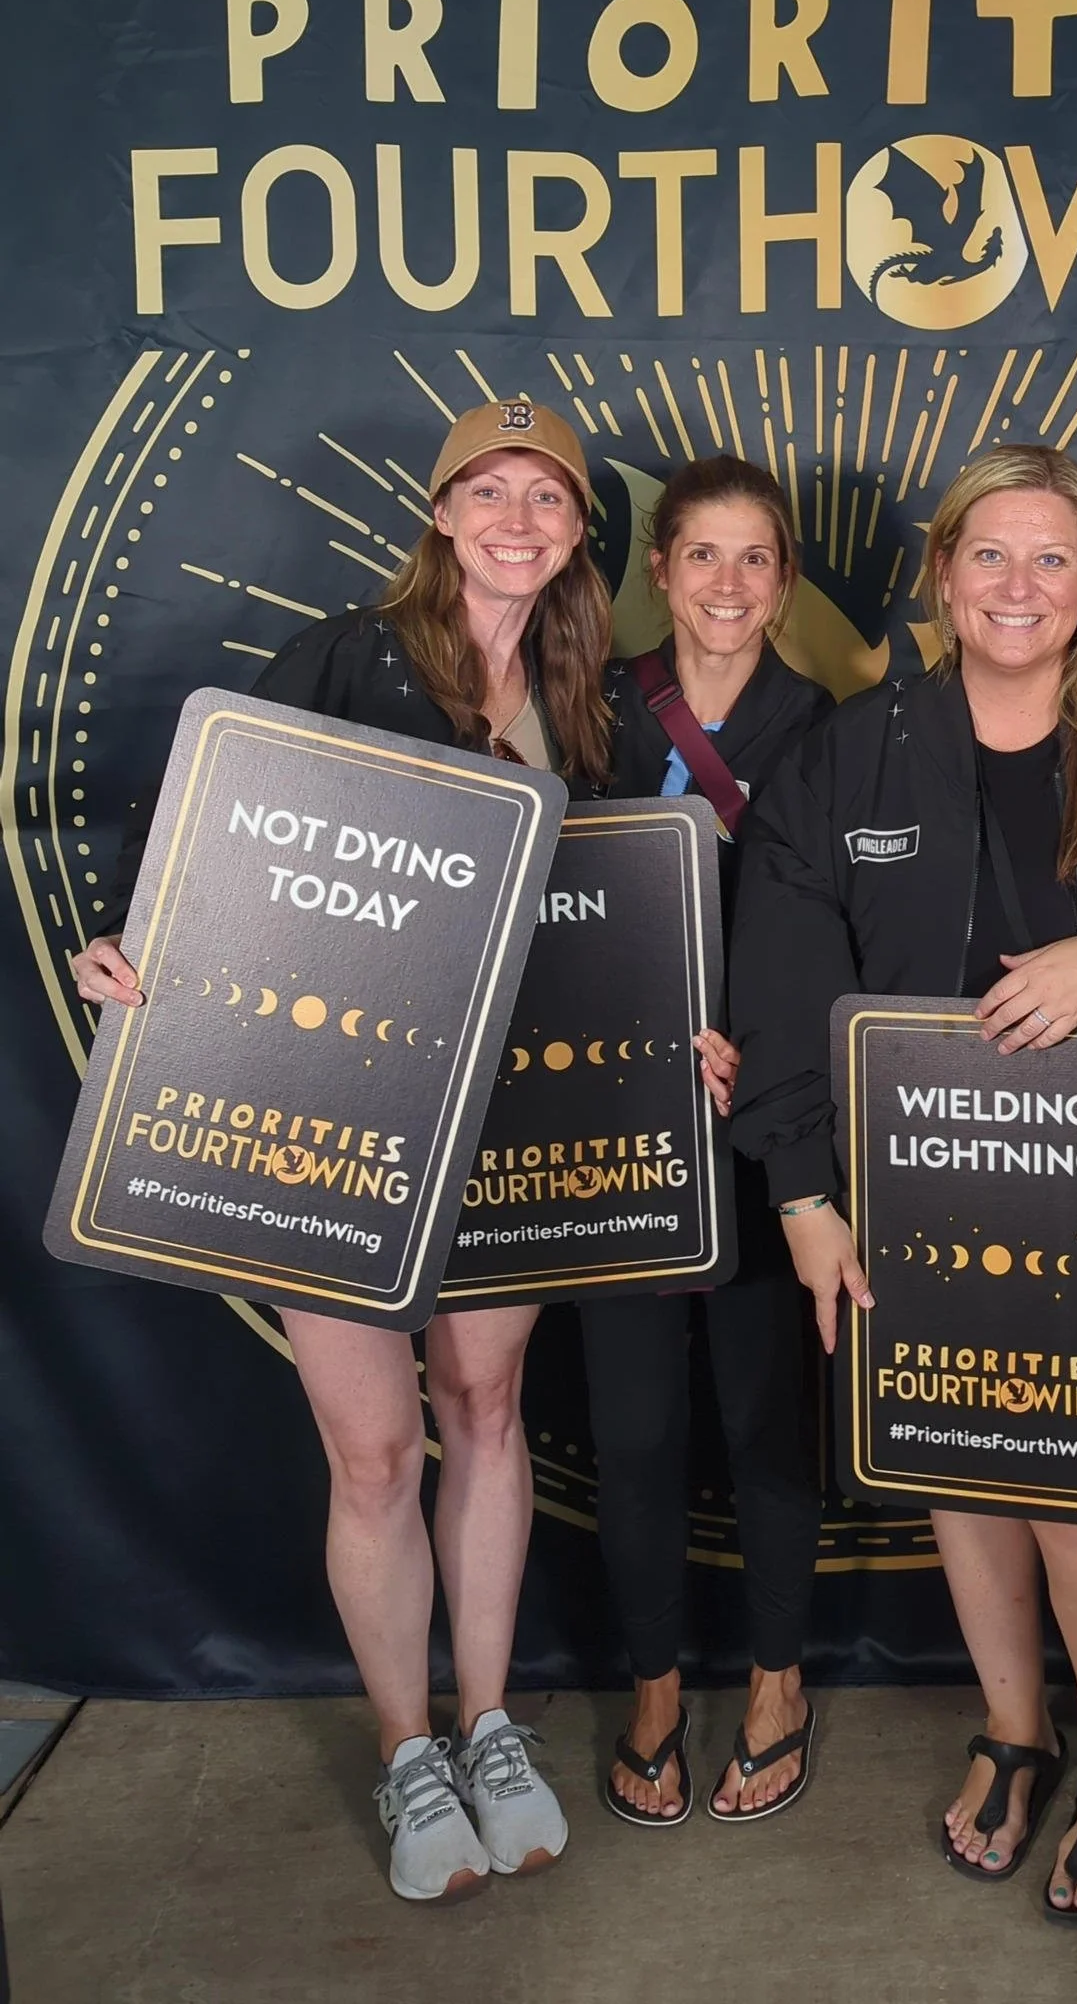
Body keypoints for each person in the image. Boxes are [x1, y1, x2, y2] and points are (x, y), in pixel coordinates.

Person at [728, 444, 1077, 1924]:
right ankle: (1014, 1728)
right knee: (965, 1482)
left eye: (1053, 558)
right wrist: (802, 1198)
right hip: (909, 1212)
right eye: (992, 554)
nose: (1020, 586)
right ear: (941, 573)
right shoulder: (844, 758)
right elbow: (782, 991)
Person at [71, 399, 612, 1904]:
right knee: (375, 1451)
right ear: (440, 515)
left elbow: (619, 917)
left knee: (486, 1404)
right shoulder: (341, 655)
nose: (517, 519)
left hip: (515, 1118)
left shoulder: (589, 697)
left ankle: (491, 1722)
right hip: (337, 1121)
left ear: (578, 530)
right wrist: (122, 939)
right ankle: (405, 1750)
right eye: (488, 492)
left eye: (546, 498)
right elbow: (214, 825)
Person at [580, 455, 833, 1829]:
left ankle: (779, 1680)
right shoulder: (591, 711)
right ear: (661, 572)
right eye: (703, 557)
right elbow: (534, 897)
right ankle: (659, 1687)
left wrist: (763, 1043)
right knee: (631, 1428)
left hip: (764, 1131)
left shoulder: (835, 728)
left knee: (764, 1420)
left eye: (756, 561)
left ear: (783, 583)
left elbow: (849, 930)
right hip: (616, 1132)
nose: (728, 585)